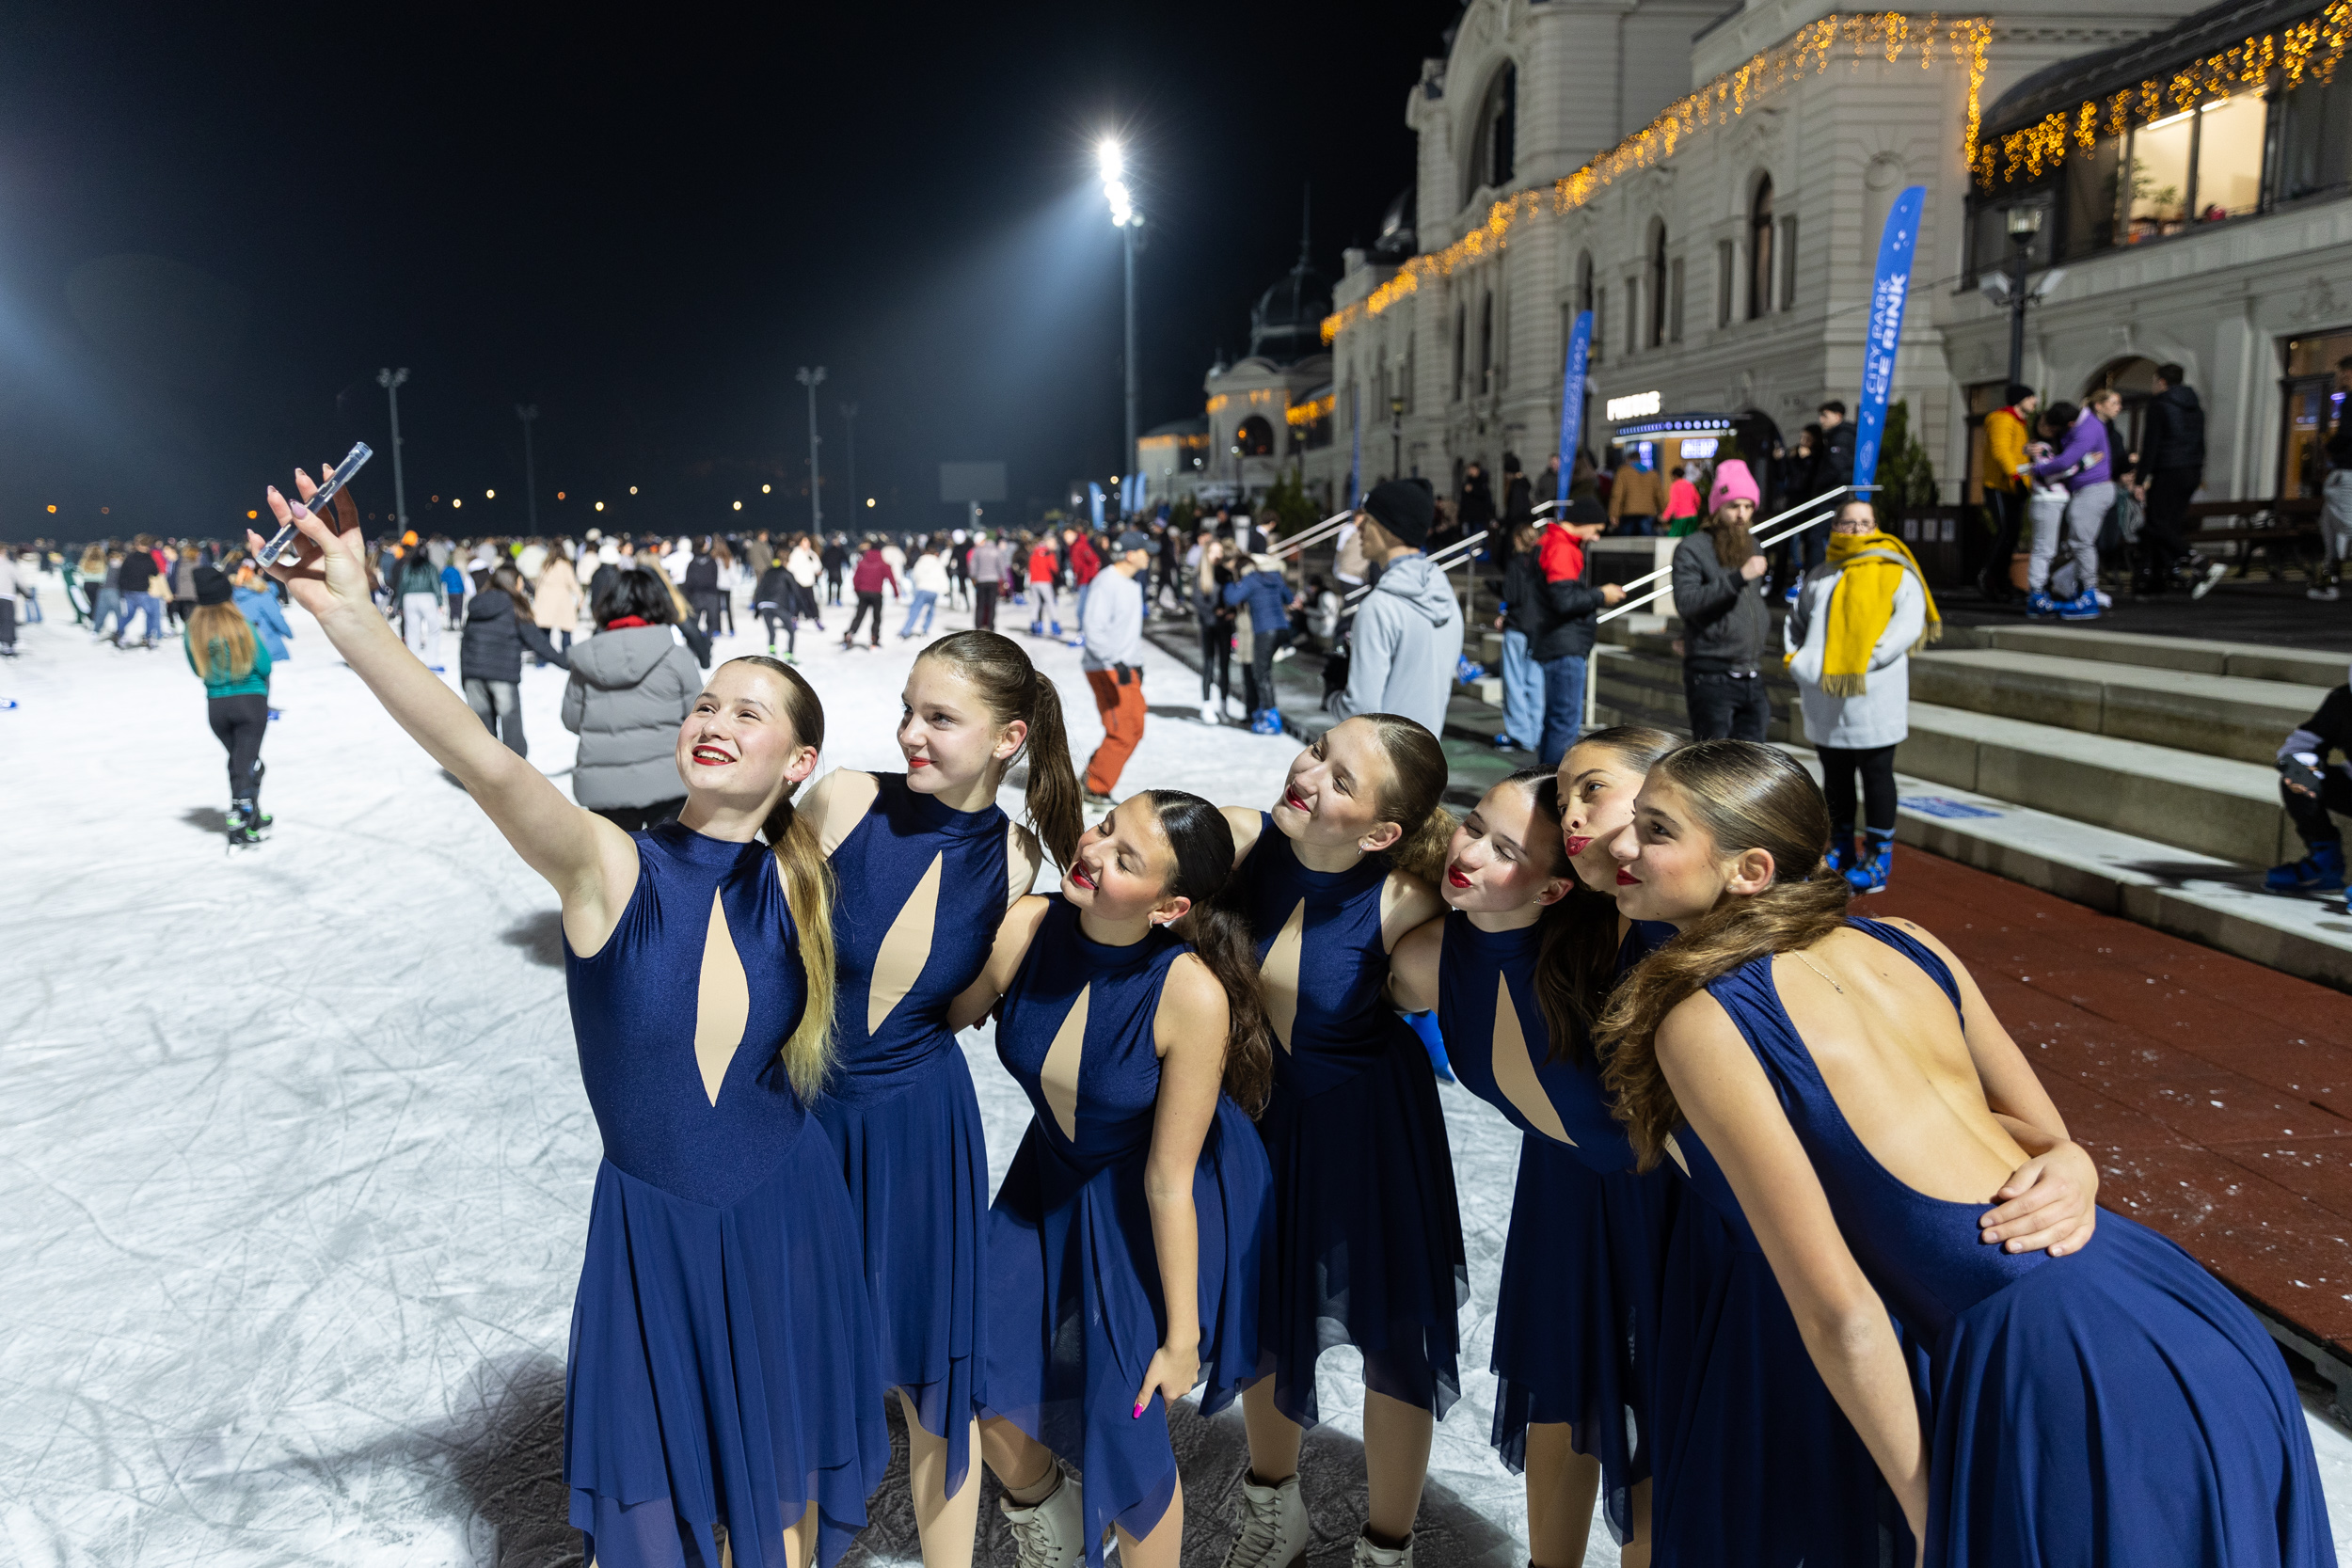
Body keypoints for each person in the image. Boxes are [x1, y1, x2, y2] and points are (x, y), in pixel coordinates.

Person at [249, 474, 890, 1568]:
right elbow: (487, 762)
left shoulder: (805, 878)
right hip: (657, 1242)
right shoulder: (609, 866)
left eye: (748, 710)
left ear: (798, 764)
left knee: (781, 1495)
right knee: (662, 1516)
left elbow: (942, 802)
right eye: (707, 702)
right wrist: (352, 613)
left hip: (792, 1218)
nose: (711, 720)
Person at [1597, 740, 2332, 1568]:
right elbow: (2056, 1143)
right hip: (2174, 1304)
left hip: (2060, 1364)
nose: (1621, 845)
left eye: (1654, 829)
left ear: (1751, 868)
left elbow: (1840, 1311)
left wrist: (1928, 1515)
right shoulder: (1910, 943)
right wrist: (2079, 1165)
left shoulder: (1704, 1021)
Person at [801, 629, 1081, 1568]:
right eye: (908, 710)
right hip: (798, 1118)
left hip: (919, 1129)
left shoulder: (1016, 859)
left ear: (1008, 738)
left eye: (939, 717)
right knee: (794, 1358)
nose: (910, 732)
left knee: (936, 1378)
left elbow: (955, 1008)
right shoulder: (842, 797)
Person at [951, 793, 1274, 1568]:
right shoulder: (1029, 926)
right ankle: (1054, 1519)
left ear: (1171, 907)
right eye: (1105, 829)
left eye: (1125, 858)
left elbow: (1170, 1178)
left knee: (1121, 1425)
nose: (1093, 851)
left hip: (1153, 1197)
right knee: (964, 1367)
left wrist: (1182, 1337)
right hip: (1048, 1174)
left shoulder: (1191, 993)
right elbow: (940, 1018)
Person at [1386, 767, 1675, 1566]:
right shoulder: (1428, 957)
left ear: (1553, 890)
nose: (1469, 851)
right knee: (1559, 1398)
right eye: (1475, 824)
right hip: (1561, 1192)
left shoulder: (1616, 957)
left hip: (1672, 1212)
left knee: (1657, 1433)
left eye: (1506, 848)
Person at [1215, 717, 1455, 1568]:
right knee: (1264, 1316)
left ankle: (1388, 1545)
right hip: (1255, 1121)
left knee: (1393, 1337)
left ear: (1384, 831)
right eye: (1318, 748)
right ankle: (1273, 1507)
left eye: (1342, 779)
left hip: (1368, 1136)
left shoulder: (1406, 902)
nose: (1309, 773)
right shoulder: (1242, 843)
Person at [1785, 498, 1939, 895]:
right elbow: (1796, 622)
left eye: (1864, 523)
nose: (1855, 531)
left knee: (1876, 775)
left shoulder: (1896, 572)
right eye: (1847, 524)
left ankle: (1878, 856)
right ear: (1835, 528)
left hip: (1874, 695)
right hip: (1825, 696)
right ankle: (1840, 849)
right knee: (1834, 778)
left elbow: (1906, 624)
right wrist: (1800, 662)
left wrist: (1864, 660)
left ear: (1877, 527)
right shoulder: (1821, 573)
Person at [564, 568, 706, 831]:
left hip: (605, 788)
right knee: (669, 866)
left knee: (617, 868)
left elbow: (572, 720)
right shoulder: (676, 656)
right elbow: (697, 717)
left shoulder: (585, 661)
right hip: (669, 781)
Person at [1331, 480, 1462, 739]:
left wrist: (1333, 696)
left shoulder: (1379, 606)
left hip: (1382, 765)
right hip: (1426, 758)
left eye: (1367, 521)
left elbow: (1361, 712)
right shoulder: (1445, 596)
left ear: (1389, 530)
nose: (1360, 530)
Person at [1671, 461, 1772, 742]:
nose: (1742, 515)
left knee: (1753, 768)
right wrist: (1739, 577)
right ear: (1717, 507)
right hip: (1712, 676)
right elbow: (1687, 601)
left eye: (1748, 506)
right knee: (1712, 769)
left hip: (1752, 672)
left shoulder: (1754, 544)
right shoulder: (1693, 547)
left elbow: (1745, 606)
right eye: (1733, 506)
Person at [183, 565, 273, 844]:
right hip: (250, 702)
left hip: (217, 707)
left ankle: (252, 813)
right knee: (246, 763)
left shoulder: (193, 629)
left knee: (241, 761)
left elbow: (198, 670)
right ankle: (240, 822)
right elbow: (265, 664)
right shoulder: (241, 624)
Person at [2131, 362, 2226, 599]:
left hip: (2169, 469)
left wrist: (2140, 479)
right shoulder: (2195, 407)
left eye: (2154, 382)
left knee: (2155, 523)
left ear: (2161, 382)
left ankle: (2198, 560)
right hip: (2191, 470)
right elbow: (2200, 443)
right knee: (2169, 524)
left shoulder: (2159, 404)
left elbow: (2151, 445)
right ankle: (2156, 579)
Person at [461, 564, 569, 756]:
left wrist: (465, 676)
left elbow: (466, 641)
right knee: (512, 731)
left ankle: (488, 778)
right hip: (501, 675)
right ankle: (516, 778)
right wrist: (568, 663)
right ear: (513, 582)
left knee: (484, 733)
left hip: (473, 676)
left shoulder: (477, 604)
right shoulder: (514, 605)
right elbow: (537, 642)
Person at [2265, 665, 2352, 898]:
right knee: (2296, 775)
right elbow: (2299, 746)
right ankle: (2325, 862)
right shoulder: (2343, 700)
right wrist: (2304, 768)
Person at [1080, 530, 1154, 804]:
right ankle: (1093, 787)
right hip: (1105, 667)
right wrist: (1115, 661)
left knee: (1135, 727)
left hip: (1126, 666)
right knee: (1122, 730)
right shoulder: (1107, 583)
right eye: (1146, 552)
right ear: (1130, 554)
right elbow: (1093, 628)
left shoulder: (1132, 584)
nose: (1150, 557)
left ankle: (1094, 773)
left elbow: (1128, 632)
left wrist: (1136, 663)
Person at [2026, 398, 2110, 621]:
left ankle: (2087, 594)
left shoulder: (2085, 430)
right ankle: (2059, 594)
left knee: (2078, 543)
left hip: (2086, 491)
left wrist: (2037, 468)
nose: (2052, 431)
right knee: (2056, 547)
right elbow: (2063, 464)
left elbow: (2064, 463)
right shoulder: (2078, 427)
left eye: (2054, 427)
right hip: (2057, 498)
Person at [1223, 546, 1295, 736]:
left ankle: (1272, 719)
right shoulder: (1273, 577)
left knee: (1261, 674)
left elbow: (1231, 598)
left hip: (1265, 630)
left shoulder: (1250, 580)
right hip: (1282, 629)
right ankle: (1263, 712)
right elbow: (1289, 598)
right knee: (1264, 672)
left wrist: (1230, 582)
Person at [1977, 387, 2036, 603]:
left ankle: (2001, 581)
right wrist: (2017, 478)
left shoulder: (2019, 423)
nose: (2035, 401)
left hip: (2014, 486)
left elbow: (2015, 452)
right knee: (2005, 533)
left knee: (2010, 535)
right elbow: (2000, 451)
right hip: (2001, 486)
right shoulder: (2003, 419)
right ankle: (1989, 579)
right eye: (2030, 397)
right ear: (2019, 399)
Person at [2314, 357, 2352, 602]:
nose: (2339, 379)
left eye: (2341, 374)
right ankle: (2327, 583)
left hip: (2347, 473)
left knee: (2345, 525)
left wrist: (2329, 445)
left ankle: (2328, 582)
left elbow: (2347, 434)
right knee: (2329, 528)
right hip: (2346, 472)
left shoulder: (2351, 402)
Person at [1193, 532, 1238, 724]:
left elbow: (1233, 596)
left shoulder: (1226, 573)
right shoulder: (1201, 575)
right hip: (1209, 626)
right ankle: (1206, 705)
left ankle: (1224, 705)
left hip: (1224, 626)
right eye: (1213, 551)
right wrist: (1215, 612)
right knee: (1209, 665)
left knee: (1225, 666)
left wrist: (1231, 612)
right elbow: (1198, 602)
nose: (1217, 555)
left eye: (1220, 551)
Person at [232, 562, 294, 664]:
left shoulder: (235, 598)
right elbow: (276, 617)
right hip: (271, 647)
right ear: (259, 572)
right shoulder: (262, 595)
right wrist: (288, 632)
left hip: (247, 649)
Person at [843, 538, 898, 650]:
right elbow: (892, 578)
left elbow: (855, 578)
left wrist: (857, 591)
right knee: (876, 618)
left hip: (863, 593)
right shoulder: (883, 563)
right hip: (877, 594)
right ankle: (874, 639)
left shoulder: (862, 563)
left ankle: (850, 633)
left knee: (859, 616)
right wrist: (896, 593)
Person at [533, 546, 583, 658]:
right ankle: (567, 656)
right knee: (566, 629)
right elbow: (572, 582)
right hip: (562, 598)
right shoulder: (565, 565)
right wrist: (580, 595)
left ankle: (542, 658)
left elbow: (539, 582)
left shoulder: (545, 565)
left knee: (545, 631)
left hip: (546, 598)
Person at [114, 536, 163, 649]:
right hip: (142, 592)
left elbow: (121, 575)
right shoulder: (148, 559)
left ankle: (118, 632)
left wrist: (123, 589)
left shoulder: (129, 558)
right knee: (150, 614)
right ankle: (148, 637)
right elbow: (155, 572)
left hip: (129, 592)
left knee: (129, 614)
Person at [754, 552, 798, 658]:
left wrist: (756, 609)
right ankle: (789, 655)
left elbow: (759, 589)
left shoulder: (767, 572)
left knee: (771, 631)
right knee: (791, 631)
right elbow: (796, 593)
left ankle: (772, 651)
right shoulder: (786, 573)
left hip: (764, 605)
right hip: (778, 605)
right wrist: (803, 609)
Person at [1607, 453, 1663, 536]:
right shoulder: (1653, 474)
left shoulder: (1623, 473)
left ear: (1628, 460)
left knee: (1626, 542)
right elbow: (1659, 495)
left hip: (1628, 512)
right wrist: (1663, 511)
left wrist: (1613, 514)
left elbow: (1617, 495)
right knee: (1646, 542)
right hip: (1647, 512)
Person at [901, 543, 947, 640]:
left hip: (922, 588)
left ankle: (906, 630)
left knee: (915, 610)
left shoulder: (921, 561)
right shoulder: (937, 563)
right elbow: (942, 577)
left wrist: (917, 584)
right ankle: (925, 630)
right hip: (933, 590)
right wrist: (945, 589)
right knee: (930, 611)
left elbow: (915, 574)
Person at [1026, 534, 1065, 639]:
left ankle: (1035, 626)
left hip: (1034, 581)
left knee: (1036, 604)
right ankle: (1055, 626)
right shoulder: (1048, 553)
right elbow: (1054, 567)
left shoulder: (1033, 553)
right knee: (1050, 603)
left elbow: (1030, 567)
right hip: (1045, 581)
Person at [968, 531, 1003, 632]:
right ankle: (991, 626)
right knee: (992, 605)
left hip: (981, 581)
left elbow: (973, 566)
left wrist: (973, 577)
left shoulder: (977, 551)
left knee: (980, 604)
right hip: (993, 580)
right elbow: (1001, 565)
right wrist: (1004, 578)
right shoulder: (996, 550)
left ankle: (978, 625)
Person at [1660, 466, 1703, 535]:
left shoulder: (1675, 486)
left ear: (1674, 476)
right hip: (1692, 516)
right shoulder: (1690, 485)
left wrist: (1666, 516)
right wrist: (1695, 510)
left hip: (1680, 517)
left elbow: (1673, 502)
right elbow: (1697, 499)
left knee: (1673, 538)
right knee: (1691, 538)